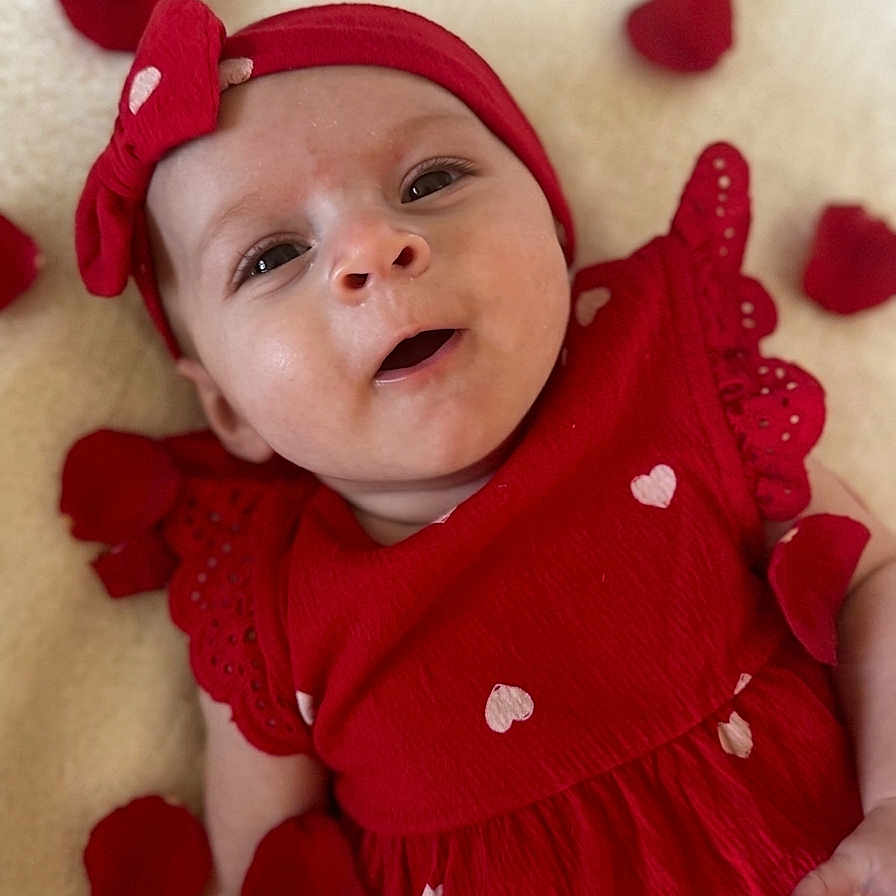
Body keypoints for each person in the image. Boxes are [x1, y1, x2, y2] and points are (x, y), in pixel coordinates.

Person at [65, 0, 896, 893]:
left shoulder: (675, 394)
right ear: (229, 410)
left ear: (552, 224)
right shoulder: (273, 610)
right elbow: (265, 864)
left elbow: (871, 581)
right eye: (269, 257)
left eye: (428, 182)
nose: (373, 247)